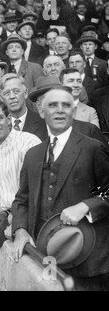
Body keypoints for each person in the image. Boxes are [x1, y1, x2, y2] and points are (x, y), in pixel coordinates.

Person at [11, 87, 109, 291]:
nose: (60, 110)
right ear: (41, 111)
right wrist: (20, 230)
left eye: (66, 105)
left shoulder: (93, 147)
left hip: (88, 261)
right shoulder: (33, 154)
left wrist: (85, 206)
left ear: (73, 111)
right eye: (53, 105)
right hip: (47, 257)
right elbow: (22, 199)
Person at [0, 99, 41, 239]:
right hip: (7, 220)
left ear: (8, 119)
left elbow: (38, 187)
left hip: (33, 217)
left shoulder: (28, 142)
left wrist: (18, 221)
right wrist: (3, 215)